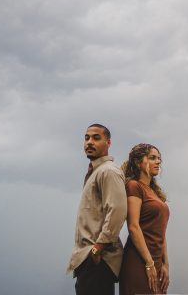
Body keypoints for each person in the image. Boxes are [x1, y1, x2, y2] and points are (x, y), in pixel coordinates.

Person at [68, 123, 128, 295]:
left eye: (96, 138)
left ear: (108, 143)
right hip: (90, 259)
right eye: (86, 138)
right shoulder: (96, 171)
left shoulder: (108, 172)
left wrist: (97, 249)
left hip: (99, 260)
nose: (89, 142)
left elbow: (117, 211)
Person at [119, 143, 170, 295]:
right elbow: (133, 226)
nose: (158, 162)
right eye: (152, 158)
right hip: (139, 261)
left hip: (157, 264)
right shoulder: (134, 186)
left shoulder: (155, 193)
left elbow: (161, 233)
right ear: (138, 162)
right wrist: (149, 263)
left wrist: (165, 264)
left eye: (159, 159)